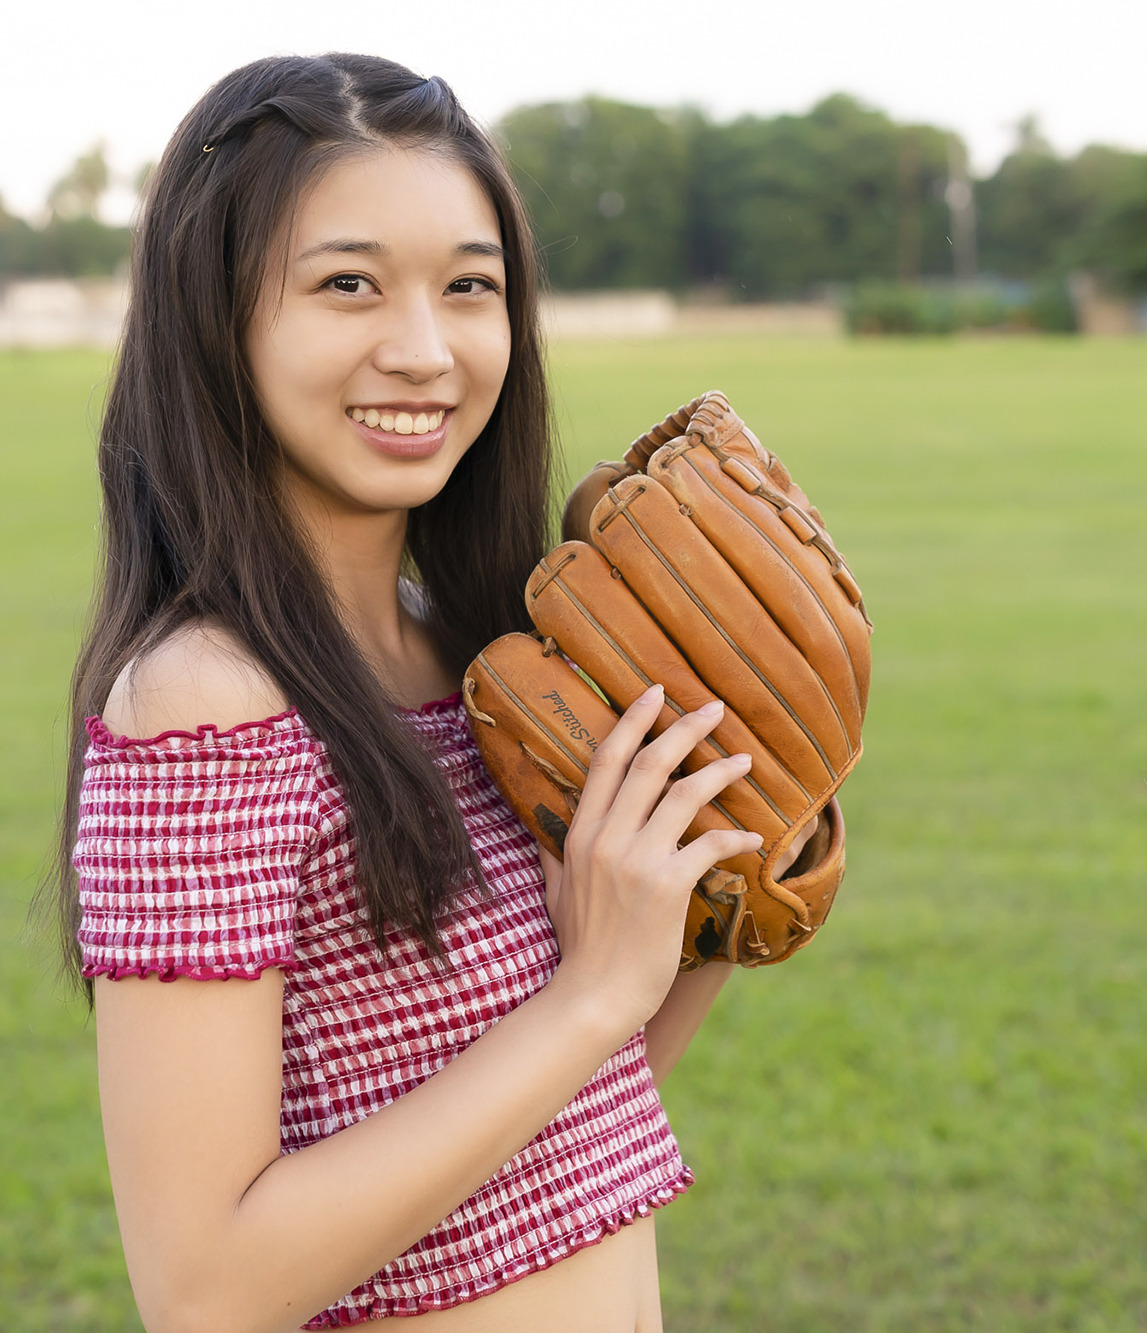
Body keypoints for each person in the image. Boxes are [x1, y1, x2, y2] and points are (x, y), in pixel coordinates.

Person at [42, 53, 806, 1331]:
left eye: (470, 287)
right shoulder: (205, 703)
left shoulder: (483, 664)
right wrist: (592, 992)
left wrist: (703, 898)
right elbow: (203, 1287)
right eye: (347, 284)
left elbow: (553, 1143)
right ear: (213, 314)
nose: (424, 349)